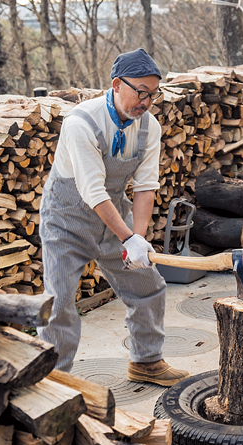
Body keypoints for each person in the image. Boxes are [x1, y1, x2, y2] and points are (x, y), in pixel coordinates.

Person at [38, 48, 190, 387]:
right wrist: (128, 238)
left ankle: (147, 362)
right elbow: (93, 191)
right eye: (141, 92)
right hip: (66, 220)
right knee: (59, 303)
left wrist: (137, 238)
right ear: (116, 84)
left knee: (148, 286)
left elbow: (146, 186)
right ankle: (53, 382)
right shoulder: (82, 122)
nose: (148, 102)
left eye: (154, 94)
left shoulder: (149, 127)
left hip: (114, 219)